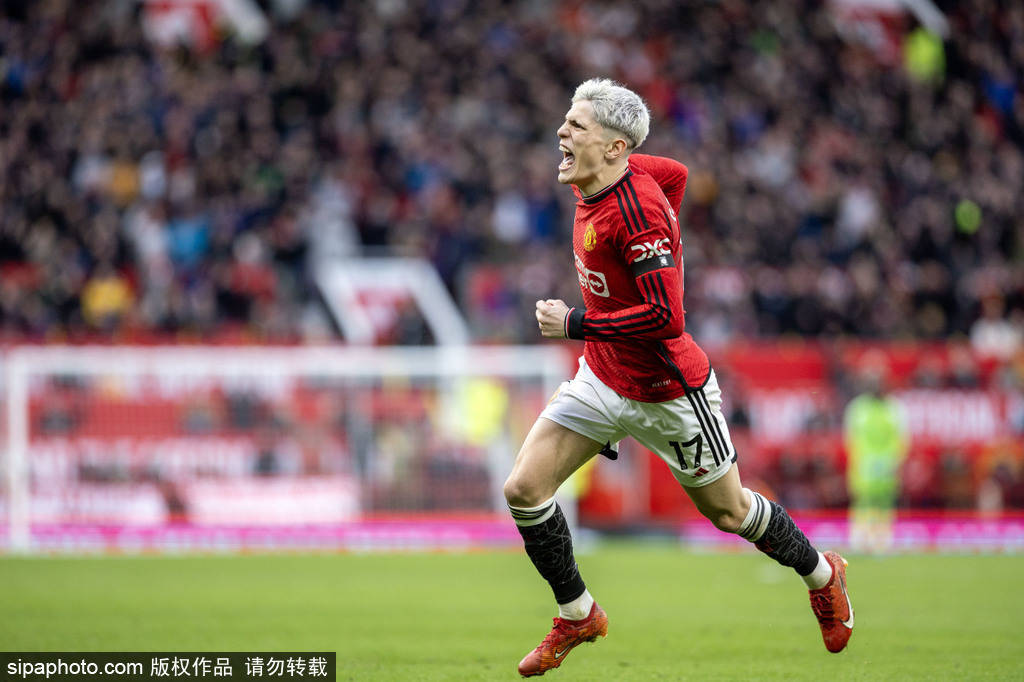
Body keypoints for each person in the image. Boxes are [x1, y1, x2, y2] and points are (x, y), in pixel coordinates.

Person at [503, 79, 855, 678]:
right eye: (567, 120)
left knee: (730, 512)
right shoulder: (617, 175)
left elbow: (667, 318)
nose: (562, 132)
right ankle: (578, 613)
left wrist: (575, 323)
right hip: (604, 377)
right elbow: (678, 174)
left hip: (670, 391)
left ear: (613, 148)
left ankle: (823, 575)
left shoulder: (634, 214)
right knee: (524, 489)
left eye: (577, 126)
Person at [844, 358, 909, 553]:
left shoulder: (894, 408)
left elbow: (902, 439)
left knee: (884, 506)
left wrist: (894, 462)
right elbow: (851, 439)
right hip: (863, 470)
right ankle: (861, 540)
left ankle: (882, 541)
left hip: (887, 470)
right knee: (863, 504)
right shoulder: (858, 408)